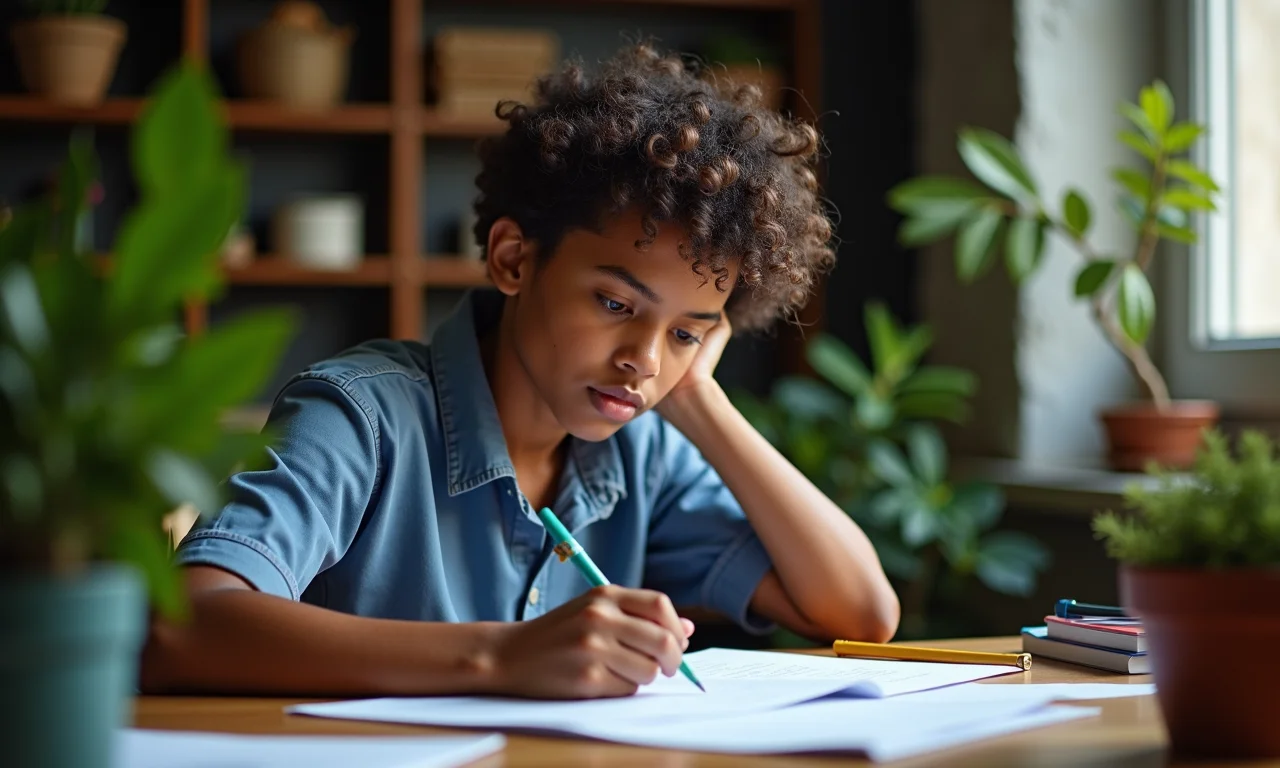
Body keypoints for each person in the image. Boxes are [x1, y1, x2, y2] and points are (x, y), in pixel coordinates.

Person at [141, 43, 900, 700]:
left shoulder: (644, 455)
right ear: (513, 258)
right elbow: (182, 628)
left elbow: (860, 613)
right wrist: (502, 656)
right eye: (613, 301)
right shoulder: (359, 417)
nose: (643, 358)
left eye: (686, 332)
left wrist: (697, 396)